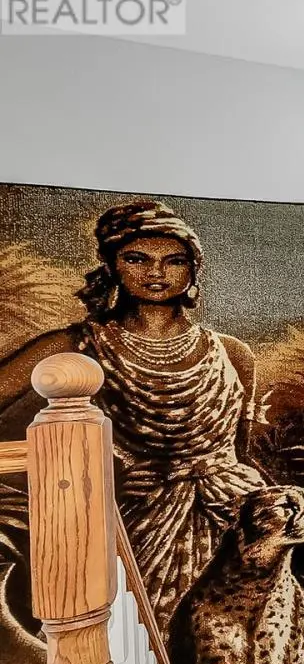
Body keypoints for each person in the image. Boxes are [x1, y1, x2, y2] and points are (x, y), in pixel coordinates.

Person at [0, 202, 267, 635]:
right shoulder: (77, 345)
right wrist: (93, 475)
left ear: (193, 269)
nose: (156, 273)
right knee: (133, 648)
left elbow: (241, 455)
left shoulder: (233, 353)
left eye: (173, 261)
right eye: (137, 259)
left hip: (231, 521)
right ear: (111, 265)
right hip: (130, 523)